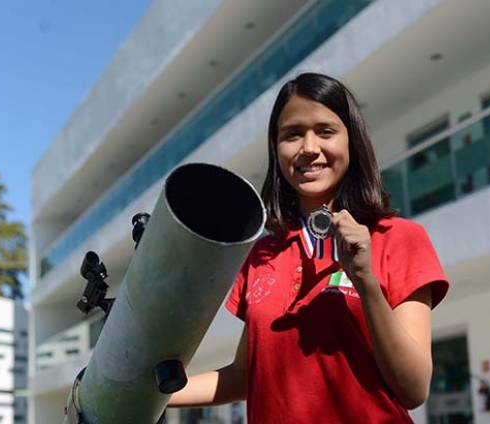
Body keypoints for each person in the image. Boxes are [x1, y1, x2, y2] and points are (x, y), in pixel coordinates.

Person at [168, 73, 449, 423]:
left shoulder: (400, 238)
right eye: (292, 134)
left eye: (326, 131)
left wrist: (365, 280)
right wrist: (146, 394)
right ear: (277, 148)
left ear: (352, 142)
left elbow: (414, 389)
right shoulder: (261, 254)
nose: (309, 148)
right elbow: (246, 375)